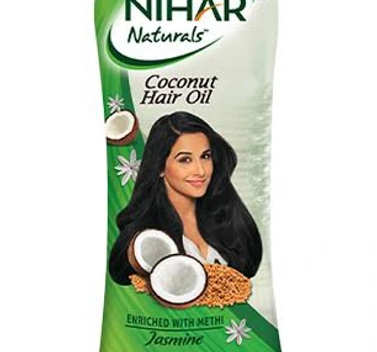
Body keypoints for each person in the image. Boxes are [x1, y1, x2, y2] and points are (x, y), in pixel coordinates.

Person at [108, 111, 262, 284]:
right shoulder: (145, 238)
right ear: (160, 167)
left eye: (205, 156)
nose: (201, 171)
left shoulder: (229, 219)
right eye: (185, 160)